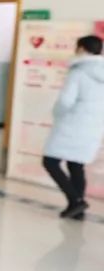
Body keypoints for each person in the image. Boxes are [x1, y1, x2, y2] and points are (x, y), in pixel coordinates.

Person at [43, 34, 104, 220]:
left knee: (50, 162)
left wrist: (57, 115)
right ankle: (76, 209)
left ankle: (76, 200)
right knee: (76, 165)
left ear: (82, 49)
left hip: (72, 124)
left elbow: (65, 101)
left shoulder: (78, 71)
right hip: (93, 126)